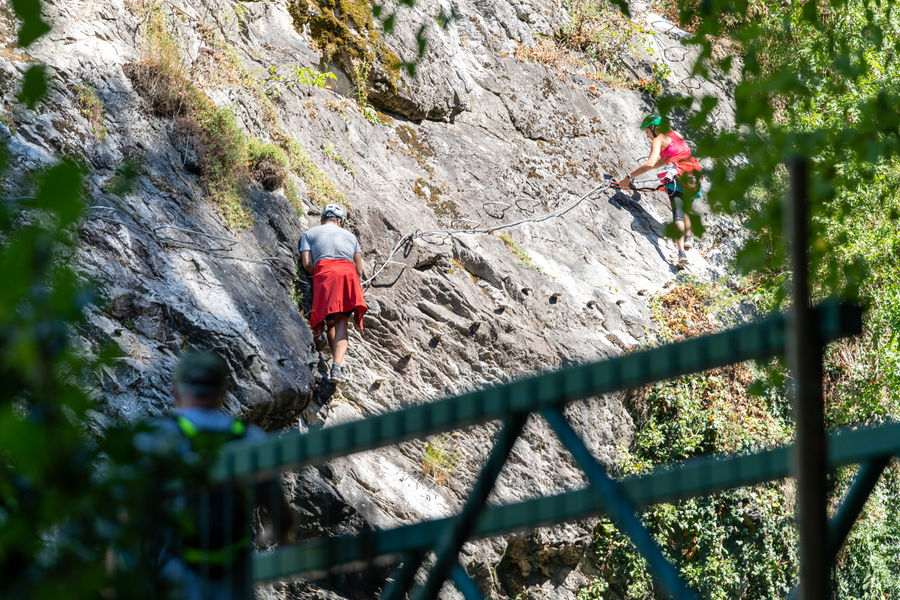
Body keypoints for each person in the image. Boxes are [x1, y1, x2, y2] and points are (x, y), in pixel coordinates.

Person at [139, 350, 293, 600]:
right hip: (234, 581)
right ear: (222, 394)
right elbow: (279, 511)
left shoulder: (158, 436)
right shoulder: (249, 438)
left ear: (175, 392)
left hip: (175, 576)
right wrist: (283, 540)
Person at [619, 114, 702, 268]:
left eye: (647, 131)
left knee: (677, 213)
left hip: (677, 176)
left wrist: (628, 177)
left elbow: (650, 163)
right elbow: (664, 160)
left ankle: (681, 253)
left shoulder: (658, 140)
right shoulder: (676, 135)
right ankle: (689, 237)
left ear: (654, 127)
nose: (647, 135)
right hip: (693, 175)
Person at [299, 204, 367, 383]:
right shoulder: (351, 237)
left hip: (324, 273)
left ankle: (338, 364)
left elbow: (307, 264)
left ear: (322, 220)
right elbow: (359, 270)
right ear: (339, 221)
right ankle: (338, 365)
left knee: (331, 322)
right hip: (347, 274)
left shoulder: (309, 234)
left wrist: (323, 275)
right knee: (341, 320)